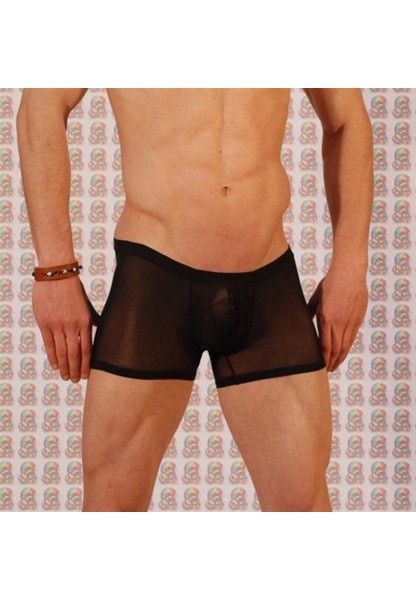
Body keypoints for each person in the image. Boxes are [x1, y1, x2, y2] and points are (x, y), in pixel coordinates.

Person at [16, 88, 373, 512]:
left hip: (268, 282)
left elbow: (346, 119)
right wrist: (55, 270)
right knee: (111, 511)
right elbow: (41, 102)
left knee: (304, 509)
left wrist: (351, 265)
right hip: (155, 283)